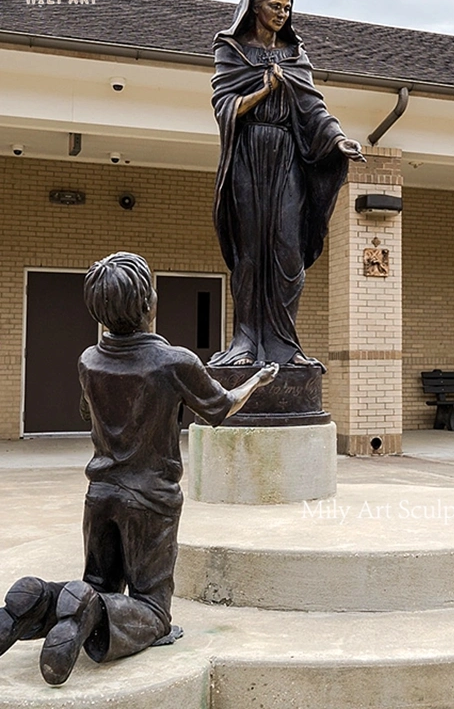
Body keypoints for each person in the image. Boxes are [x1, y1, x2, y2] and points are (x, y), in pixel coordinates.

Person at [0, 252, 278, 685]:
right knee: (152, 609)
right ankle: (89, 611)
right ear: (149, 302)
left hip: (101, 494)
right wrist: (255, 382)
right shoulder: (174, 361)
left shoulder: (89, 360)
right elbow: (220, 408)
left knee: (97, 581)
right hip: (152, 501)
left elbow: (85, 412)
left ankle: (38, 602)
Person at [209, 0, 365, 368]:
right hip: (248, 155)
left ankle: (283, 344)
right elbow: (224, 105)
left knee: (288, 252)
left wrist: (337, 139)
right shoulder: (231, 49)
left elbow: (314, 107)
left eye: (287, 7)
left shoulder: (296, 55)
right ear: (254, 7)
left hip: (287, 158)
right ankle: (245, 342)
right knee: (250, 252)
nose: (282, 12)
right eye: (274, 6)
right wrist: (264, 89)